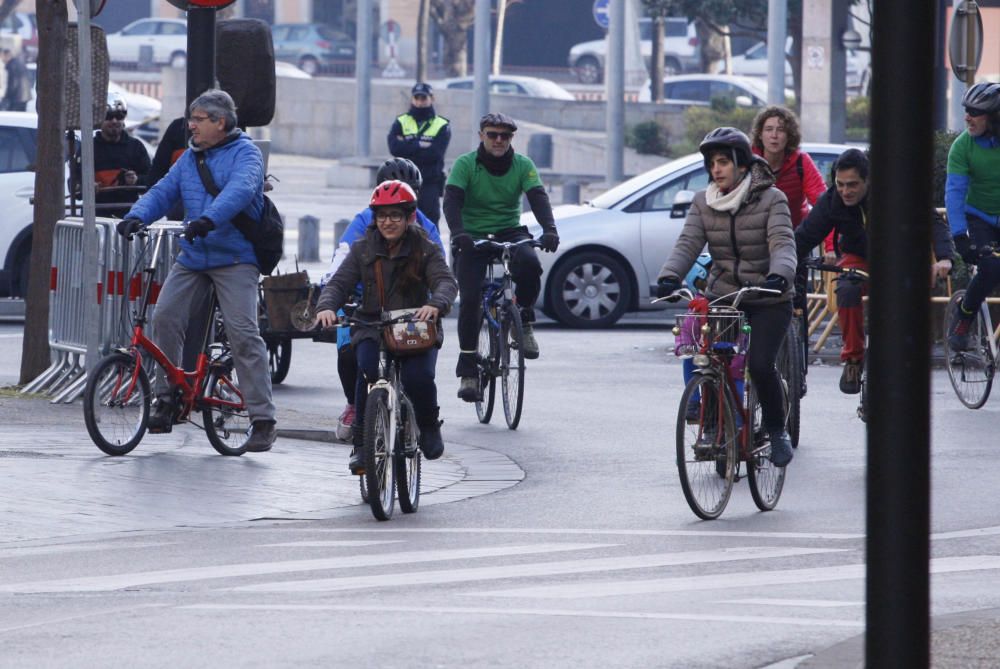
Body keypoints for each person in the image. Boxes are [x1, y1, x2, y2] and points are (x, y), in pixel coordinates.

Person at [115, 89, 277, 452]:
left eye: (200, 118)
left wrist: (208, 218)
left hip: (235, 258)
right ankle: (166, 397)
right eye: (192, 118)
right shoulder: (190, 157)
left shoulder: (246, 153)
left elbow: (239, 190)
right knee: (166, 318)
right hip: (194, 257)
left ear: (221, 122)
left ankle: (263, 419)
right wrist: (135, 216)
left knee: (243, 332)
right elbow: (163, 190)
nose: (191, 125)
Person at [656, 127, 797, 468]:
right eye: (712, 164)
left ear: (743, 165)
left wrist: (780, 274)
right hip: (725, 296)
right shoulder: (704, 202)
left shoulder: (771, 198)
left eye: (723, 162)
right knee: (711, 360)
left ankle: (778, 431)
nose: (716, 169)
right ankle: (715, 425)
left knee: (762, 365)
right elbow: (687, 243)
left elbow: (783, 243)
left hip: (767, 296)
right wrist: (669, 275)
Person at [315, 180, 457, 473]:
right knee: (364, 368)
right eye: (382, 216)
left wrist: (435, 304)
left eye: (395, 216)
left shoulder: (425, 248)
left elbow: (445, 282)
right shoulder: (362, 248)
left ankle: (429, 426)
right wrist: (326, 306)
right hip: (371, 323)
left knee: (419, 377)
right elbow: (338, 283)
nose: (388, 222)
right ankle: (362, 443)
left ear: (409, 218)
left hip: (414, 325)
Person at [795, 148, 953, 391]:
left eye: (853, 185)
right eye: (840, 184)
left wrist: (944, 258)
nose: (845, 191)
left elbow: (934, 222)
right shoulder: (832, 201)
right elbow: (804, 237)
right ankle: (853, 359)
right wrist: (781, 260)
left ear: (868, 180)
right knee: (846, 289)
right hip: (858, 257)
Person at [443, 112, 560, 402]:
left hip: (509, 230)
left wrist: (550, 230)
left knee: (531, 264)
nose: (498, 140)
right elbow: (452, 200)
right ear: (482, 135)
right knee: (470, 299)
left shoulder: (523, 165)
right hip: (472, 235)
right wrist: (458, 233)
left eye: (504, 136)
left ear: (511, 139)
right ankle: (469, 372)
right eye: (492, 134)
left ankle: (524, 319)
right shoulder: (466, 164)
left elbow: (538, 197)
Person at [750, 105, 828, 397]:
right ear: (760, 133)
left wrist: (830, 246)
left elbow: (822, 203)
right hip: (756, 241)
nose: (774, 135)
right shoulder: (749, 160)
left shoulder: (800, 162)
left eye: (780, 130)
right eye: (769, 129)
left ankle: (799, 368)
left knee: (797, 304)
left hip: (793, 240)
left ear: (789, 135)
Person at [946, 82, 1000, 351]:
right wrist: (960, 236)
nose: (967, 116)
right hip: (979, 218)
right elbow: (955, 194)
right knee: (991, 268)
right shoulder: (962, 147)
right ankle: (964, 317)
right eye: (966, 110)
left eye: (975, 112)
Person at [387, 82, 451, 225]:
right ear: (412, 99)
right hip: (404, 183)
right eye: (417, 98)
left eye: (423, 98)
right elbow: (394, 148)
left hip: (429, 184)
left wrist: (407, 145)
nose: (420, 102)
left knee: (429, 226)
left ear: (431, 98)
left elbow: (435, 153)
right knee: (400, 224)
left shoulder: (442, 124)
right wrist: (420, 145)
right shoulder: (401, 121)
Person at [75, 92, 152, 210]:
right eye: (108, 116)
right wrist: (87, 187)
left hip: (128, 216)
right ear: (99, 120)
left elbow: (151, 180)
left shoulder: (136, 147)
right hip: (96, 216)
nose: (114, 121)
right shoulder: (88, 148)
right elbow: (75, 185)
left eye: (119, 116)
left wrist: (136, 180)